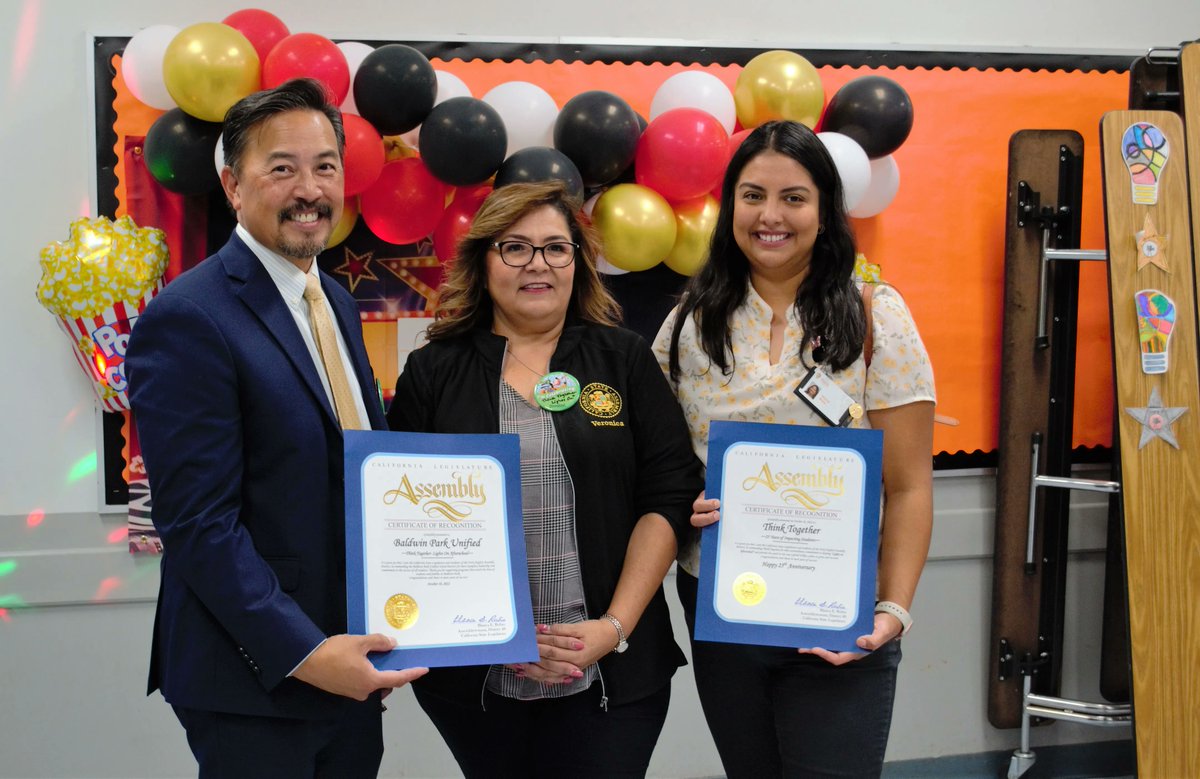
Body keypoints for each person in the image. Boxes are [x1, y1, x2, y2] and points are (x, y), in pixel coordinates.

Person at [126, 78, 426, 777]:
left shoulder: (338, 305)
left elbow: (353, 477)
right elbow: (199, 523)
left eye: (325, 166)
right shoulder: (190, 317)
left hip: (350, 666)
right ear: (232, 184)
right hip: (255, 679)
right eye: (281, 167)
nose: (309, 188)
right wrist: (305, 652)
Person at [387, 180, 702, 778]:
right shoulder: (434, 371)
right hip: (476, 680)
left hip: (614, 671)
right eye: (515, 247)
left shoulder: (624, 359)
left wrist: (613, 629)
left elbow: (666, 497)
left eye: (557, 247)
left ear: (578, 264)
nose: (538, 263)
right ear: (483, 260)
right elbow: (401, 521)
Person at [652, 120, 936, 779]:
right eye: (752, 195)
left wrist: (891, 610)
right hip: (724, 607)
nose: (770, 215)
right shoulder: (691, 322)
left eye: (794, 198)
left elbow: (910, 484)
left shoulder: (876, 315)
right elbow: (660, 465)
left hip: (842, 611)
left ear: (825, 210)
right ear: (730, 208)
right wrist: (684, 500)